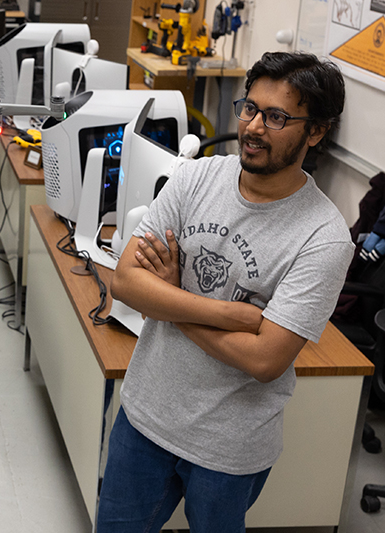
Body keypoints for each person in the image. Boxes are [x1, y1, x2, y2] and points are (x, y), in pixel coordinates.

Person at [96, 51, 354, 532]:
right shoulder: (196, 177)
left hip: (229, 449)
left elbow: (265, 361)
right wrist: (234, 316)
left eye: (276, 117)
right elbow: (126, 281)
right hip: (145, 417)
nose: (253, 127)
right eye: (250, 108)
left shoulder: (324, 237)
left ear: (316, 131)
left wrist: (170, 299)